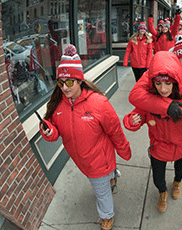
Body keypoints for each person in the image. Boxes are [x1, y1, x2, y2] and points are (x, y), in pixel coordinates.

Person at [39, 44, 131, 230]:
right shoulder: (57, 105)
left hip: (99, 158)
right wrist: (48, 131)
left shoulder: (98, 103)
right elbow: (56, 132)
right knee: (102, 180)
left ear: (80, 80)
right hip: (81, 159)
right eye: (60, 82)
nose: (64, 87)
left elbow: (114, 130)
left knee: (101, 192)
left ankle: (107, 216)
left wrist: (124, 149)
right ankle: (112, 176)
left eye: (70, 82)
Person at [124, 51, 182, 212]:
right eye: (158, 84)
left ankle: (177, 184)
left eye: (168, 84)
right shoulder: (150, 96)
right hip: (159, 147)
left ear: (175, 82)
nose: (163, 89)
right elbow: (138, 111)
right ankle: (162, 193)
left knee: (180, 172)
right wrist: (132, 120)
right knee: (158, 180)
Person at [129, 30, 182, 176]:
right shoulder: (162, 69)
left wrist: (168, 110)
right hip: (168, 130)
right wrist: (166, 107)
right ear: (175, 58)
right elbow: (136, 95)